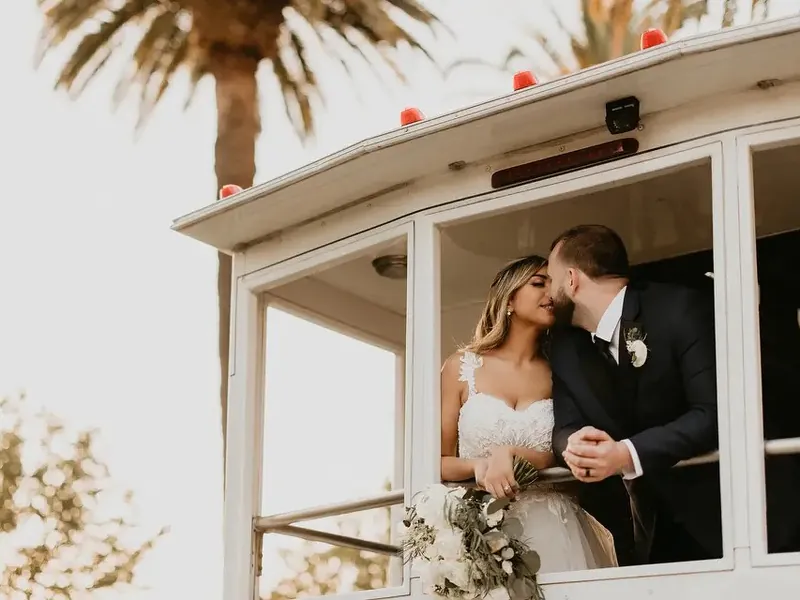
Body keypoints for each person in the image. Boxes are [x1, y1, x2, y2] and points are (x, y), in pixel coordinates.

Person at [547, 224, 722, 566]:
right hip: (650, 535)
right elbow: (563, 427)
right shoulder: (567, 350)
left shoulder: (679, 308)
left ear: (571, 279)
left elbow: (713, 414)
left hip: (723, 514)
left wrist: (624, 454)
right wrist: (575, 445)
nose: (548, 296)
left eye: (551, 281)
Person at [440, 255, 617, 573]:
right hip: (482, 531)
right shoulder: (461, 367)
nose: (550, 293)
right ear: (508, 298)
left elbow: (566, 450)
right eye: (538, 283)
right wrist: (480, 465)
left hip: (556, 529)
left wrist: (513, 454)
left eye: (554, 284)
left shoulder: (561, 370)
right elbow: (437, 461)